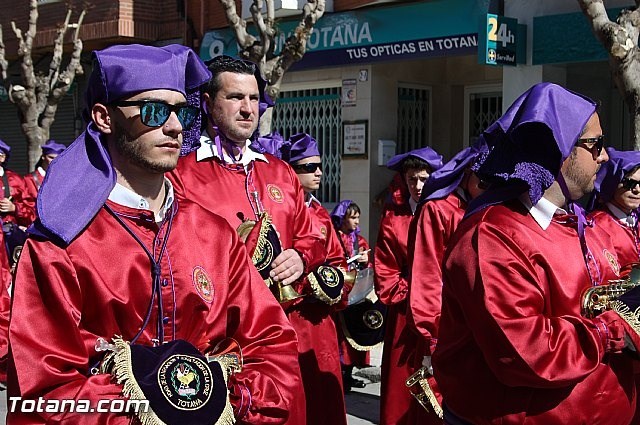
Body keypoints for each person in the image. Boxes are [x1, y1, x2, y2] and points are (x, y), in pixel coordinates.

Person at [8, 44, 304, 424]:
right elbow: (44, 390)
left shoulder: (214, 233)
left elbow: (272, 342)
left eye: (180, 111)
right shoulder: (61, 241)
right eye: (154, 111)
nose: (175, 126)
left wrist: (230, 400)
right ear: (104, 117)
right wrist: (142, 409)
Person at [432, 82, 640, 424]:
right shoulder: (491, 236)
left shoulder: (580, 224)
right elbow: (526, 352)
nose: (605, 155)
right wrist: (614, 329)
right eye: (595, 145)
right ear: (558, 151)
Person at [168, 55, 326, 312]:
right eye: (235, 97)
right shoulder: (181, 174)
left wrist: (301, 257)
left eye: (253, 98)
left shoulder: (280, 172)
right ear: (207, 103)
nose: (247, 109)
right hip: (220, 326)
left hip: (284, 322)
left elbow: (311, 237)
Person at [258, 131, 350, 425]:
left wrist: (329, 281)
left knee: (322, 398)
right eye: (308, 167)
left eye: (319, 165)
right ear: (289, 171)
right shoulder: (271, 211)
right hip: (285, 320)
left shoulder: (322, 214)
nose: (318, 172)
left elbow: (338, 264)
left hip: (319, 323)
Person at [405, 139, 488, 425]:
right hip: (444, 333)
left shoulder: (491, 209)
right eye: (485, 178)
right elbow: (426, 276)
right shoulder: (438, 210)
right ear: (468, 174)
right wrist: (432, 337)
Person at [373, 147, 443, 425]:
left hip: (440, 312)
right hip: (405, 314)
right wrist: (413, 293)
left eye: (424, 179)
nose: (418, 186)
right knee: (401, 385)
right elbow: (385, 270)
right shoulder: (394, 217)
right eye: (412, 179)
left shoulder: (445, 212)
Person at [330, 200, 375, 392]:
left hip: (357, 294)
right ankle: (341, 375)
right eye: (352, 217)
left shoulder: (360, 240)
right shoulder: (333, 238)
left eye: (358, 217)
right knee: (341, 338)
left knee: (354, 335)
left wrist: (366, 261)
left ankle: (349, 374)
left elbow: (369, 267)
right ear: (343, 218)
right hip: (341, 294)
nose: (357, 221)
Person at [588, 148, 640, 270]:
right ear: (611, 183)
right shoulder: (595, 226)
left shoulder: (636, 220)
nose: (637, 190)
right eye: (629, 183)